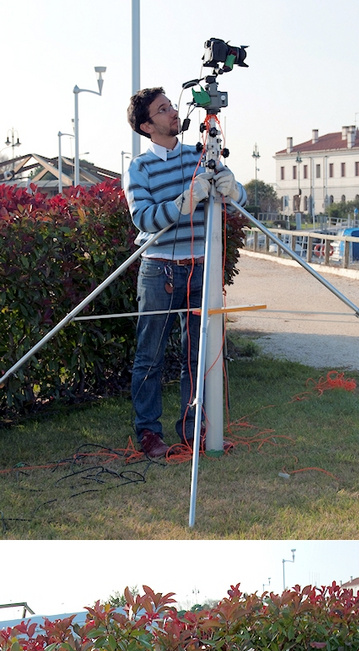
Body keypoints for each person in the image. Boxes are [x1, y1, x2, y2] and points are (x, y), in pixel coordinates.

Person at [125, 88, 247, 458]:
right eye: (163, 110)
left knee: (198, 356)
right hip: (158, 268)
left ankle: (193, 431)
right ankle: (148, 433)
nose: (173, 113)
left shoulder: (200, 155)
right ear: (147, 125)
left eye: (173, 106)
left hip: (201, 268)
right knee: (150, 356)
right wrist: (182, 203)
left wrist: (232, 189)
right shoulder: (139, 168)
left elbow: (237, 198)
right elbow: (143, 217)